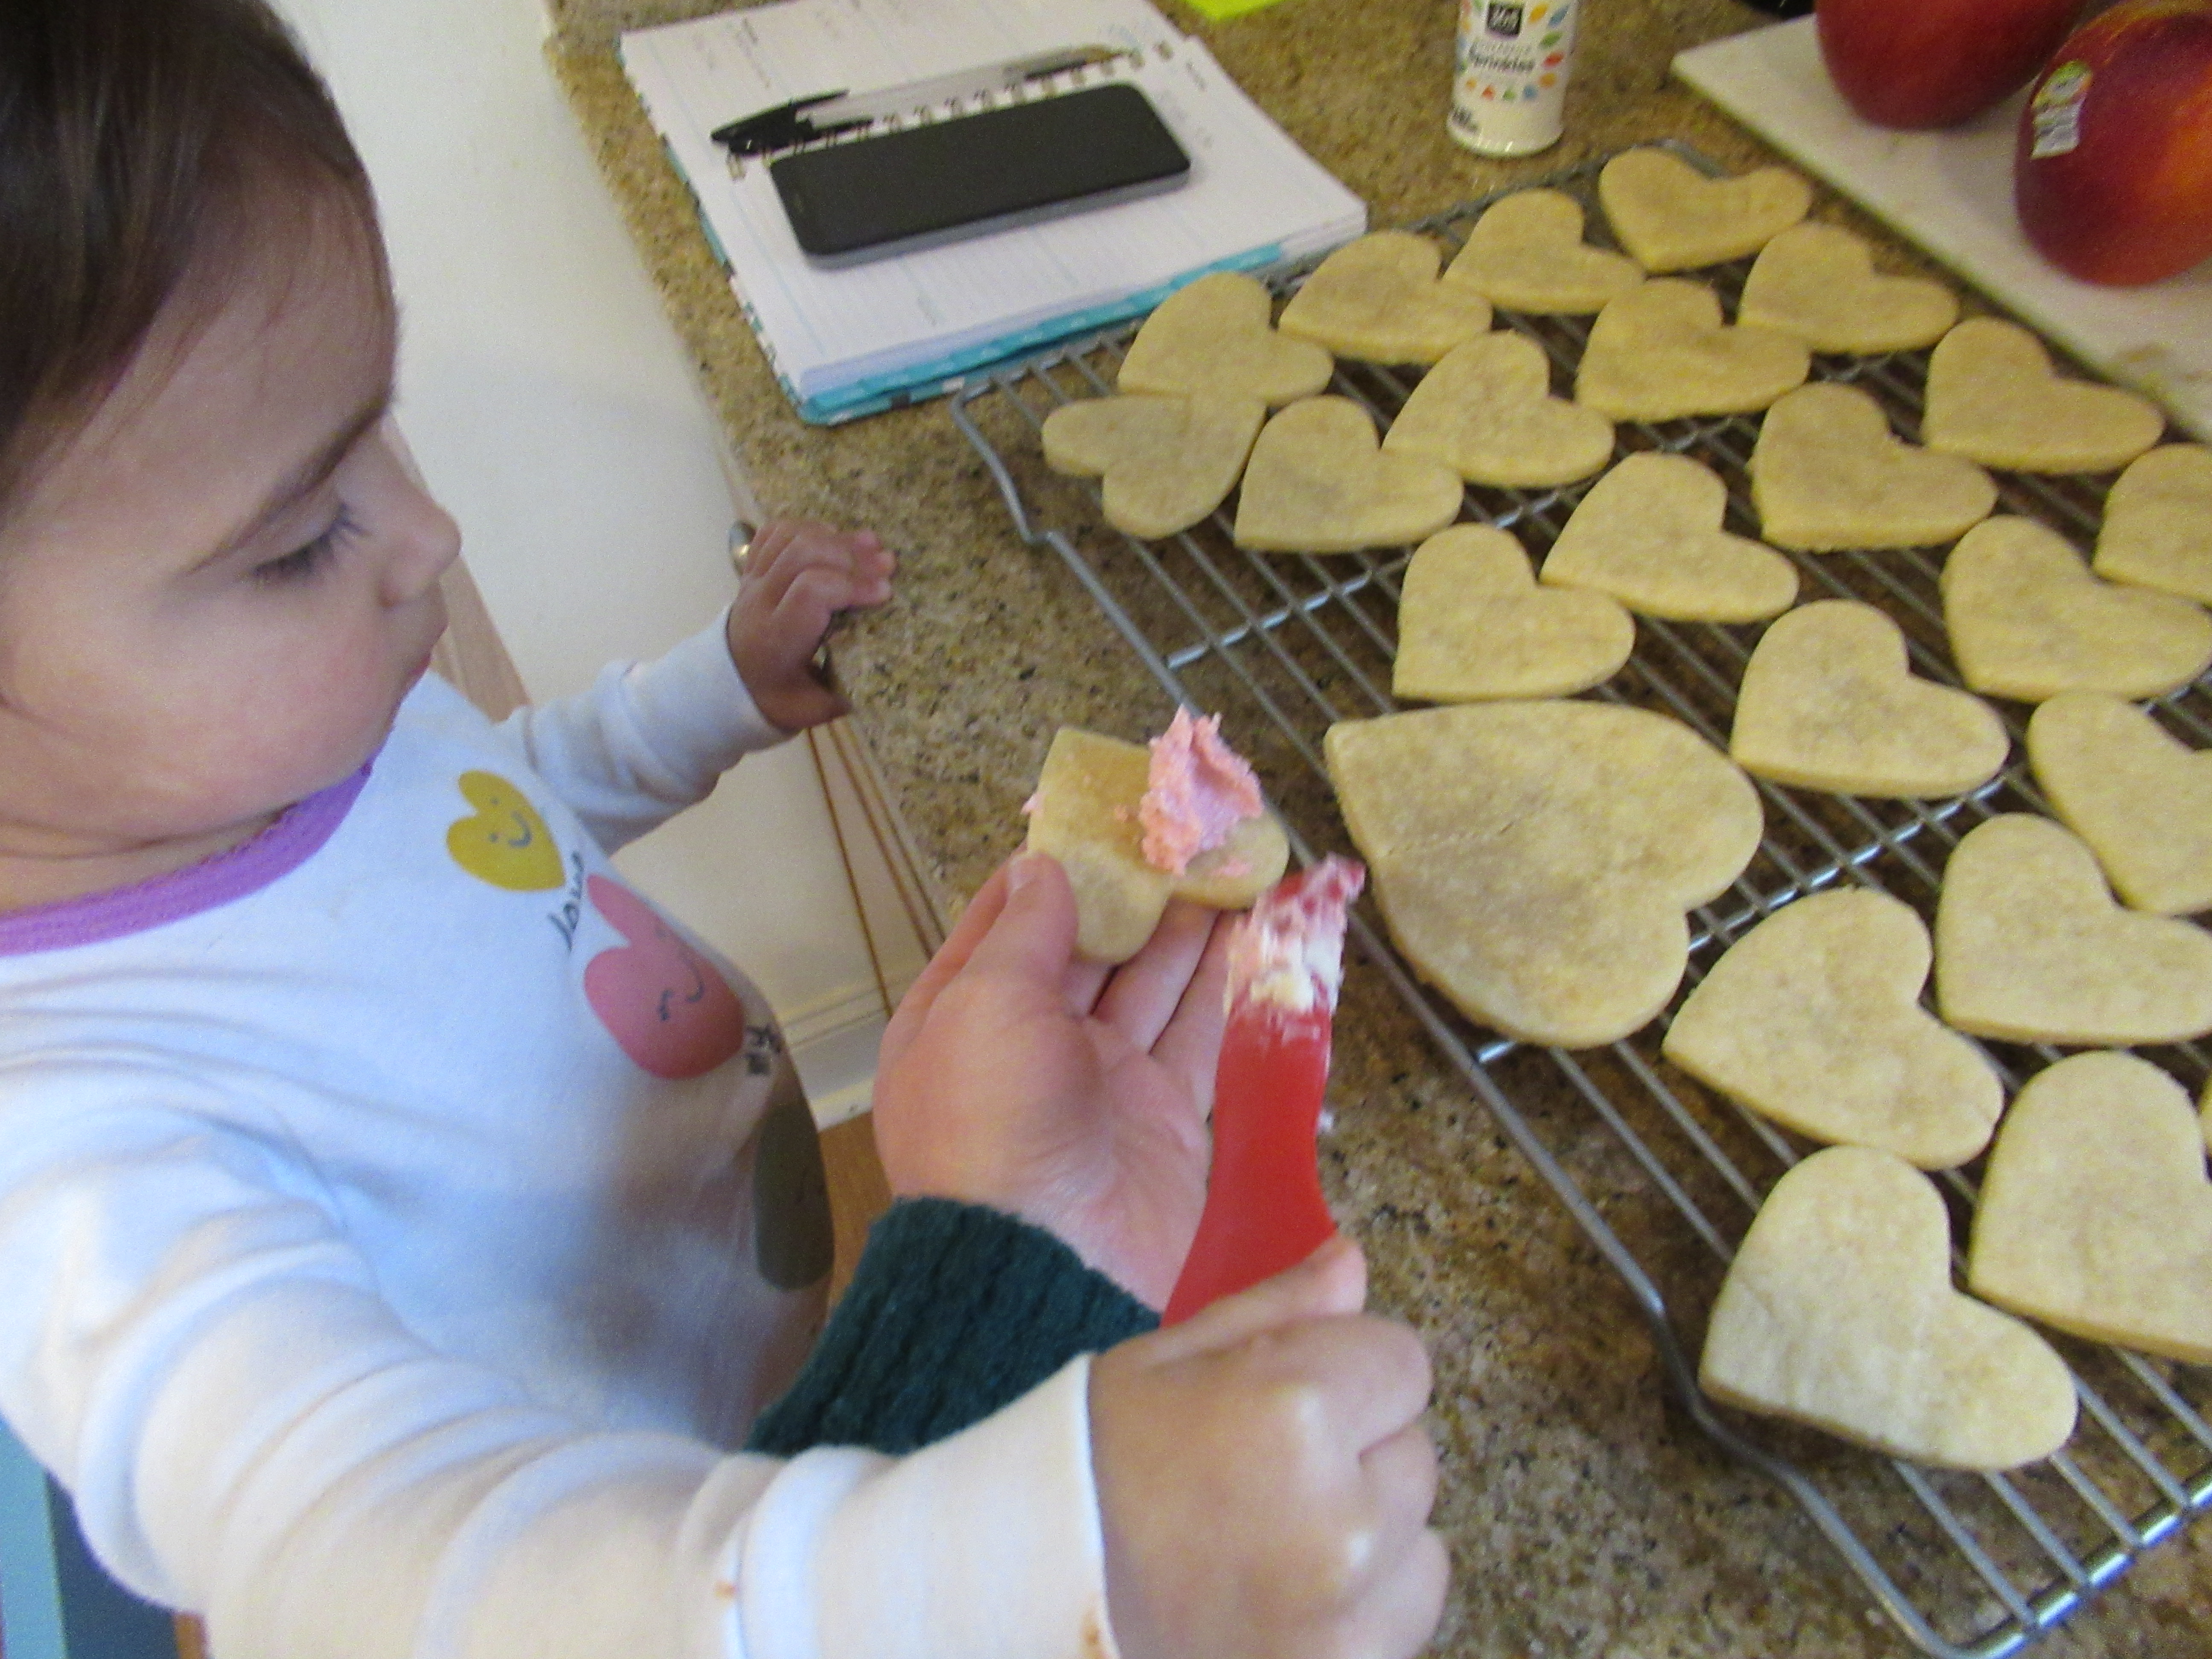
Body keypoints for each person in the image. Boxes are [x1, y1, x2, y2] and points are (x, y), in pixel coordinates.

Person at [0, 0, 1448, 1655]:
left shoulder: (276, 748)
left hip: (775, 1376)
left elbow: (493, 816)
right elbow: (376, 1567)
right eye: (297, 538)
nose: (427, 533)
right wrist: (1052, 1559)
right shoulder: (73, 1159)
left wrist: (712, 697)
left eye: (380, 436)